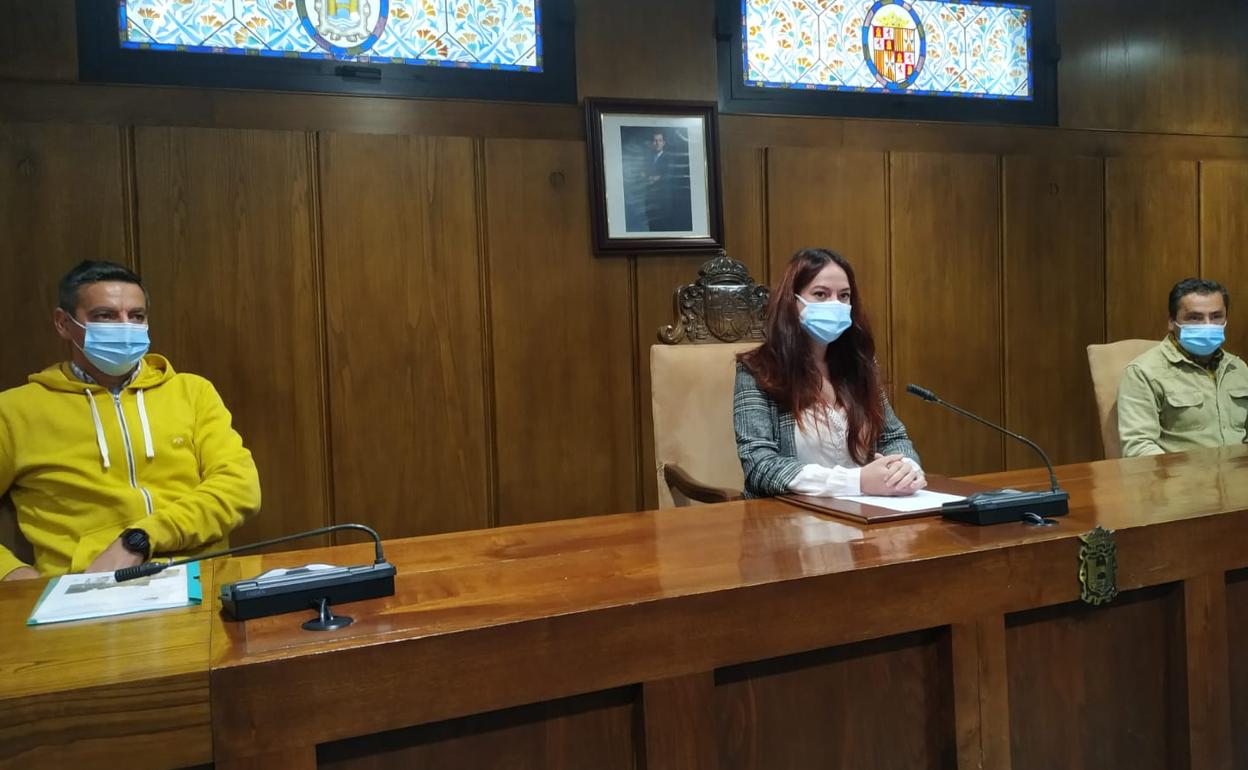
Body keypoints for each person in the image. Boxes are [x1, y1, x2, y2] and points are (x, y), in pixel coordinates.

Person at [0, 261, 261, 581]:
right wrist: (12, 575)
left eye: (136, 316)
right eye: (105, 316)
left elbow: (240, 488)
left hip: (201, 577)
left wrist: (141, 538)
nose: (125, 327)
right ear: (64, 323)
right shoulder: (14, 411)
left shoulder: (193, 392)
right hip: (86, 588)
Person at [734, 248, 925, 498]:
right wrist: (856, 482)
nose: (835, 304)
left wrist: (906, 468)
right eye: (821, 294)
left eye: (844, 296)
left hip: (867, 509)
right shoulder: (758, 369)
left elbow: (894, 437)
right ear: (792, 301)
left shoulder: (860, 364)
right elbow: (759, 464)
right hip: (789, 514)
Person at [1117, 278, 1248, 457]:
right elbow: (1138, 447)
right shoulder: (1143, 372)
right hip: (1180, 473)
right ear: (1172, 322)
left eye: (1216, 316)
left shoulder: (1238, 368)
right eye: (1195, 318)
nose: (1208, 325)